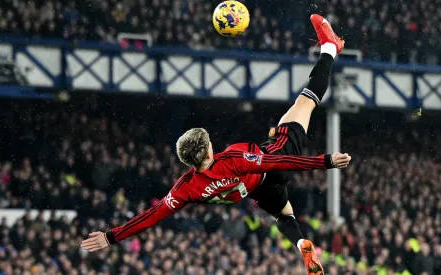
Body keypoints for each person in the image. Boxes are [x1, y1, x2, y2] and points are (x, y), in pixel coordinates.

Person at [81, 14, 347, 275]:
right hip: (274, 162)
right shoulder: (232, 158)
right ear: (209, 148)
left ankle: (302, 244)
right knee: (307, 101)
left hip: (259, 192)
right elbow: (277, 162)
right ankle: (330, 48)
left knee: (283, 215)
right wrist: (325, 161)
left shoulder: (186, 187)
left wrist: (112, 236)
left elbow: (151, 215)